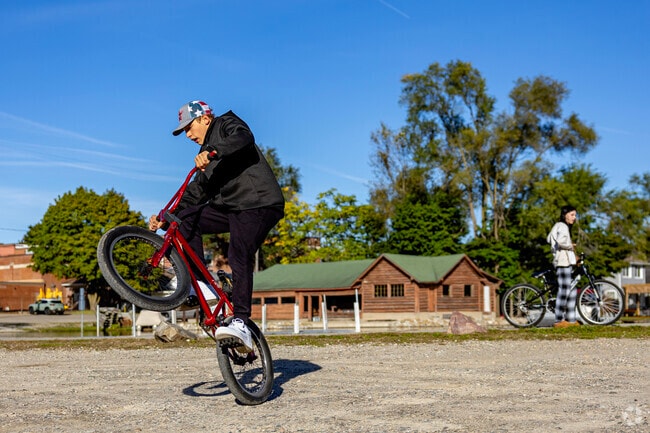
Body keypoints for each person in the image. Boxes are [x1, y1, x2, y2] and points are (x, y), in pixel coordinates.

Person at [149, 100, 285, 350]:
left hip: (259, 202)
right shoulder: (206, 159)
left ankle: (241, 322)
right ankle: (201, 285)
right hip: (232, 207)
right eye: (184, 132)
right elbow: (194, 193)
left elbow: (244, 137)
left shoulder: (226, 124)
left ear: (204, 119)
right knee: (186, 218)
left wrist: (214, 152)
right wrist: (166, 218)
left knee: (238, 253)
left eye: (189, 128)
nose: (188, 135)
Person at [547, 205, 579, 328]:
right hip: (562, 263)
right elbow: (561, 241)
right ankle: (559, 320)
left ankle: (571, 320)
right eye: (572, 215)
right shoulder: (562, 226)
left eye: (575, 215)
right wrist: (570, 245)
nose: (574, 218)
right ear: (565, 214)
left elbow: (551, 239)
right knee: (564, 290)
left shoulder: (560, 226)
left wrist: (574, 257)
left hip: (565, 261)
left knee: (572, 290)